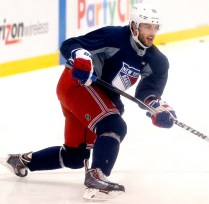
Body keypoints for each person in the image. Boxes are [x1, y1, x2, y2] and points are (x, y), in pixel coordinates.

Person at [1, 2, 176, 200]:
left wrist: (157, 107)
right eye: (147, 26)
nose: (151, 32)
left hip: (95, 95)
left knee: (75, 156)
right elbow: (70, 44)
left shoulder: (157, 61)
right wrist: (81, 56)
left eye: (154, 27)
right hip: (77, 85)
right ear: (134, 26)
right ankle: (96, 178)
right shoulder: (114, 37)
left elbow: (148, 92)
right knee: (114, 125)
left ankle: (21, 161)